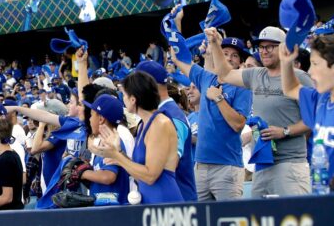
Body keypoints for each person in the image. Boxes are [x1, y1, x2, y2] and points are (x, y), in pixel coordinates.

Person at [211, 26, 314, 197]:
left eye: (269, 47)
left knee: (293, 220)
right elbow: (224, 75)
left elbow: (315, 118)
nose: (264, 52)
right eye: (261, 47)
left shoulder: (300, 77)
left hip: (290, 164)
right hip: (262, 163)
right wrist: (215, 44)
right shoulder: (255, 75)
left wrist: (285, 131)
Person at [170, 36, 252, 201]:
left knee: (229, 220)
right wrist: (175, 24)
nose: (228, 57)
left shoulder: (243, 86)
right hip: (200, 167)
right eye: (225, 53)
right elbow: (177, 57)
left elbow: (238, 124)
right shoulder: (206, 77)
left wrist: (219, 99)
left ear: (240, 62)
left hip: (227, 167)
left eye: (234, 55)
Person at [91, 71, 184, 204]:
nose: (122, 99)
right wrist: (119, 154)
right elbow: (139, 172)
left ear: (133, 99)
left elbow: (151, 175)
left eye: (124, 95)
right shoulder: (143, 125)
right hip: (149, 201)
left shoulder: (160, 124)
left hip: (164, 202)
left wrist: (117, 156)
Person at [280, 35, 334, 176]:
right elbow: (290, 89)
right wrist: (286, 62)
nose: (310, 71)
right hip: (321, 191)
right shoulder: (320, 98)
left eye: (315, 64)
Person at [135, 60, 197, 201]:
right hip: (160, 201)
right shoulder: (155, 114)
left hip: (178, 202)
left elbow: (169, 165)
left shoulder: (172, 117)